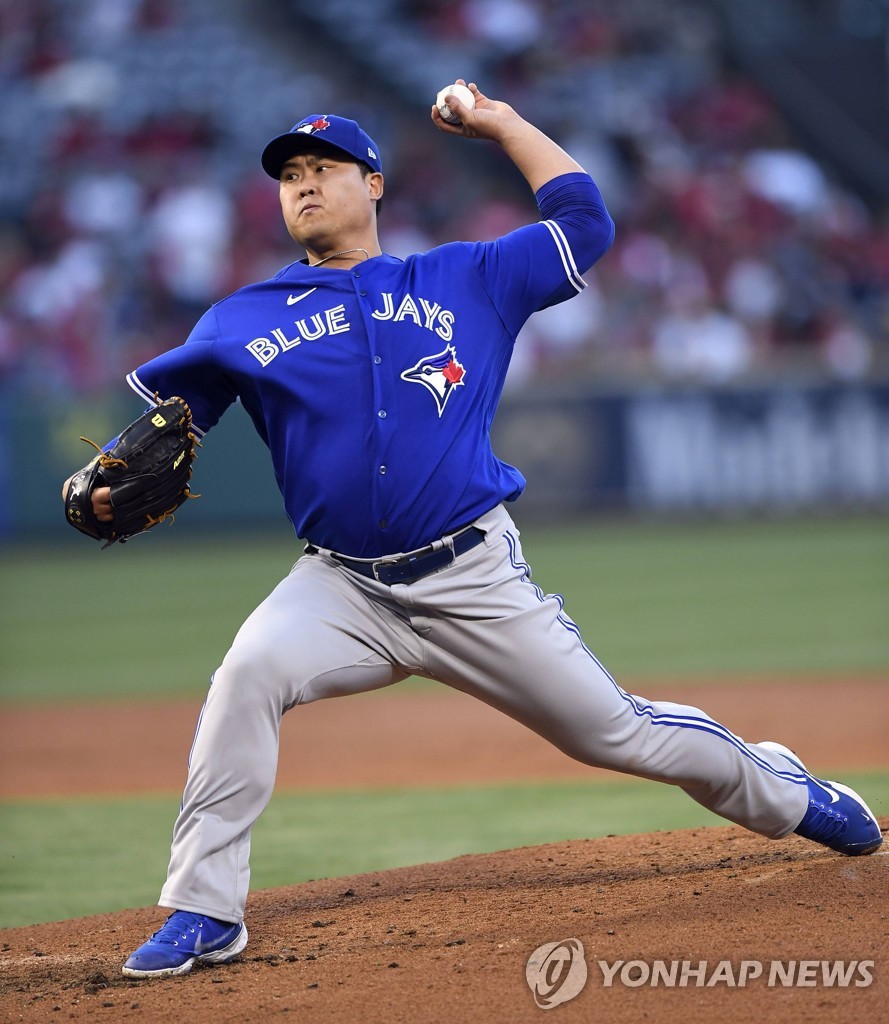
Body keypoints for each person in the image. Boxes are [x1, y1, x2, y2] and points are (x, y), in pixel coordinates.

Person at [63, 82, 882, 979]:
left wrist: (499, 123)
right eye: (289, 175)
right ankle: (204, 911)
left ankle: (787, 792)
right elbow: (163, 424)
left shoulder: (464, 278)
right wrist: (98, 482)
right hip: (340, 587)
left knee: (617, 734)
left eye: (323, 169)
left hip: (472, 576)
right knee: (246, 676)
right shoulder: (242, 318)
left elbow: (585, 222)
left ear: (372, 185)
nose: (302, 185)